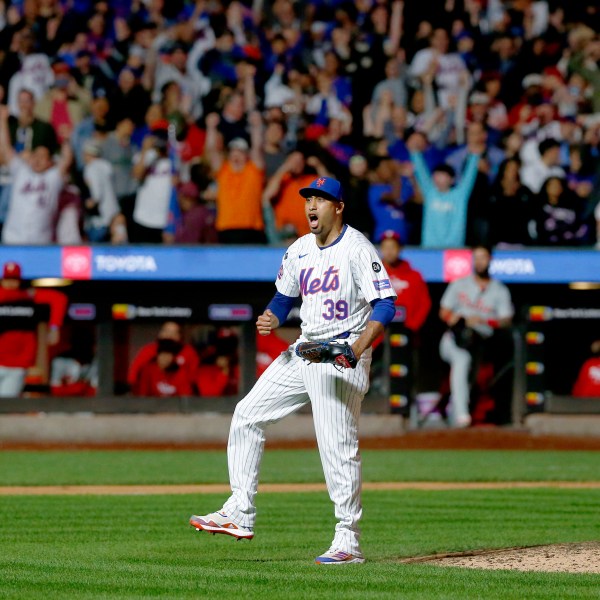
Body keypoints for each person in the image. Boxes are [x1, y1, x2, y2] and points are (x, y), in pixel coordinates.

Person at [190, 176, 396, 563]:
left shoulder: (356, 248)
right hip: (306, 349)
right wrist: (272, 315)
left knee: (337, 446)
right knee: (247, 414)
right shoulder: (300, 249)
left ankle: (347, 540)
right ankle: (239, 510)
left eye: (320, 199)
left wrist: (357, 348)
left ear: (338, 207)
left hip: (340, 351)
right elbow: (284, 297)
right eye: (308, 199)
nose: (311, 206)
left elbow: (385, 305)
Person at [438, 246, 514, 428]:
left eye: (484, 257)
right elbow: (443, 312)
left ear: (490, 260)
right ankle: (461, 416)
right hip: (455, 340)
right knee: (462, 360)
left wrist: (483, 320)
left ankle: (453, 409)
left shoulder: (499, 289)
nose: (480, 261)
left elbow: (506, 320)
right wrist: (455, 318)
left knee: (470, 379)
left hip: (480, 342)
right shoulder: (459, 284)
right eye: (477, 258)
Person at [0, 261, 68, 397]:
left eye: (14, 279)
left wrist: (54, 327)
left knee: (5, 404)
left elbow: (60, 299)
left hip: (18, 364)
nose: (11, 283)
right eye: (8, 279)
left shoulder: (29, 296)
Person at [379, 230, 431, 332]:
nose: (389, 251)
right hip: (378, 334)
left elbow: (424, 303)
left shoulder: (414, 276)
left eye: (393, 247)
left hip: (408, 332)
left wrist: (412, 326)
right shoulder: (373, 274)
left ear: (400, 249)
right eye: (386, 247)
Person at [128, 321, 199, 395]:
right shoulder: (148, 352)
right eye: (166, 331)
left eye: (174, 333)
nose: (169, 336)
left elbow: (191, 382)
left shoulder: (188, 354)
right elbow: (135, 373)